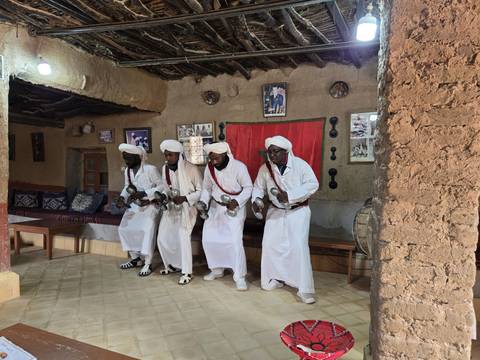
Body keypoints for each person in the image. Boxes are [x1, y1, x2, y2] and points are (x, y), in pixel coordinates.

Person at [252, 136, 319, 303]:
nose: (272, 155)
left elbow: (313, 184)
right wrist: (256, 201)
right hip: (275, 211)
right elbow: (258, 188)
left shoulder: (301, 165)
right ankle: (274, 279)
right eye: (270, 152)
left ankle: (304, 289)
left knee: (298, 247)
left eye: (275, 152)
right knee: (270, 245)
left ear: (286, 152)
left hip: (298, 211)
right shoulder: (265, 169)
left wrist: (290, 196)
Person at [199, 142, 252, 290]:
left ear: (224, 154)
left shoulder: (239, 167)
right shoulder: (209, 169)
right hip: (215, 208)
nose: (213, 161)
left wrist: (237, 201)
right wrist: (203, 202)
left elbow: (248, 187)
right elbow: (206, 188)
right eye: (211, 158)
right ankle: (216, 270)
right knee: (209, 239)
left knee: (234, 242)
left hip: (234, 209)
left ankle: (239, 276)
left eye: (216, 158)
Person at [156, 140, 203, 285]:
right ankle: (171, 265)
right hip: (171, 208)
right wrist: (164, 195)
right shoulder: (165, 169)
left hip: (187, 209)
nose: (168, 157)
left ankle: (187, 272)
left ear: (178, 154)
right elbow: (166, 187)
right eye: (166, 155)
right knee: (163, 237)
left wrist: (185, 198)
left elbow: (201, 191)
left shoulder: (191, 169)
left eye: (170, 155)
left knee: (183, 237)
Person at [116, 143, 162, 276]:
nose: (126, 161)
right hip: (135, 205)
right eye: (125, 158)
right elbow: (127, 186)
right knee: (124, 228)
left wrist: (145, 193)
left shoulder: (150, 169)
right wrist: (122, 198)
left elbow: (161, 186)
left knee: (146, 230)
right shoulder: (128, 171)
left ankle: (148, 263)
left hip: (151, 205)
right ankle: (136, 259)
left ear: (138, 157)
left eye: (129, 158)